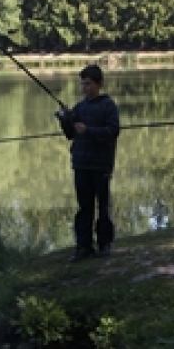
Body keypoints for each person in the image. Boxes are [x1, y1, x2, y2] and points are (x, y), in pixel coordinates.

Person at [56, 65, 121, 262]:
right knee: (84, 206)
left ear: (99, 84)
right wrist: (65, 119)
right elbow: (70, 135)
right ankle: (83, 246)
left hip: (101, 164)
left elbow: (112, 131)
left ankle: (104, 244)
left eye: (89, 84)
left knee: (102, 206)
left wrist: (89, 130)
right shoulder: (79, 108)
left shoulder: (108, 106)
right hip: (81, 164)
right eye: (83, 84)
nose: (85, 88)